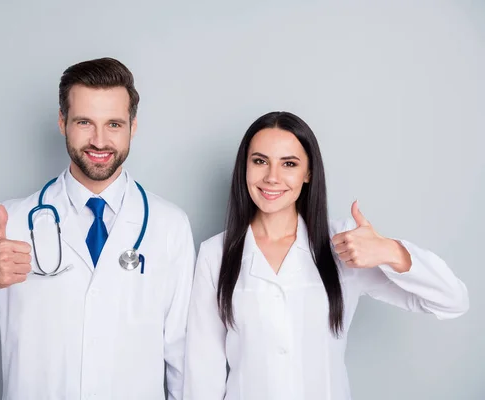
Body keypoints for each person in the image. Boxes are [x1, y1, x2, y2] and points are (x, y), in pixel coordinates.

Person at [0, 57, 195, 400]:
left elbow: (183, 359)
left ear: (133, 126)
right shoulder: (12, 221)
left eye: (114, 124)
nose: (99, 141)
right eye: (85, 122)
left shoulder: (169, 225)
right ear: (62, 122)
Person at [183, 111, 469, 400]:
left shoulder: (343, 245)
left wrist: (390, 251)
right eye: (260, 161)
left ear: (308, 173)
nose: (272, 177)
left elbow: (452, 301)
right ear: (244, 167)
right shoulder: (215, 255)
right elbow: (203, 370)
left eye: (289, 164)